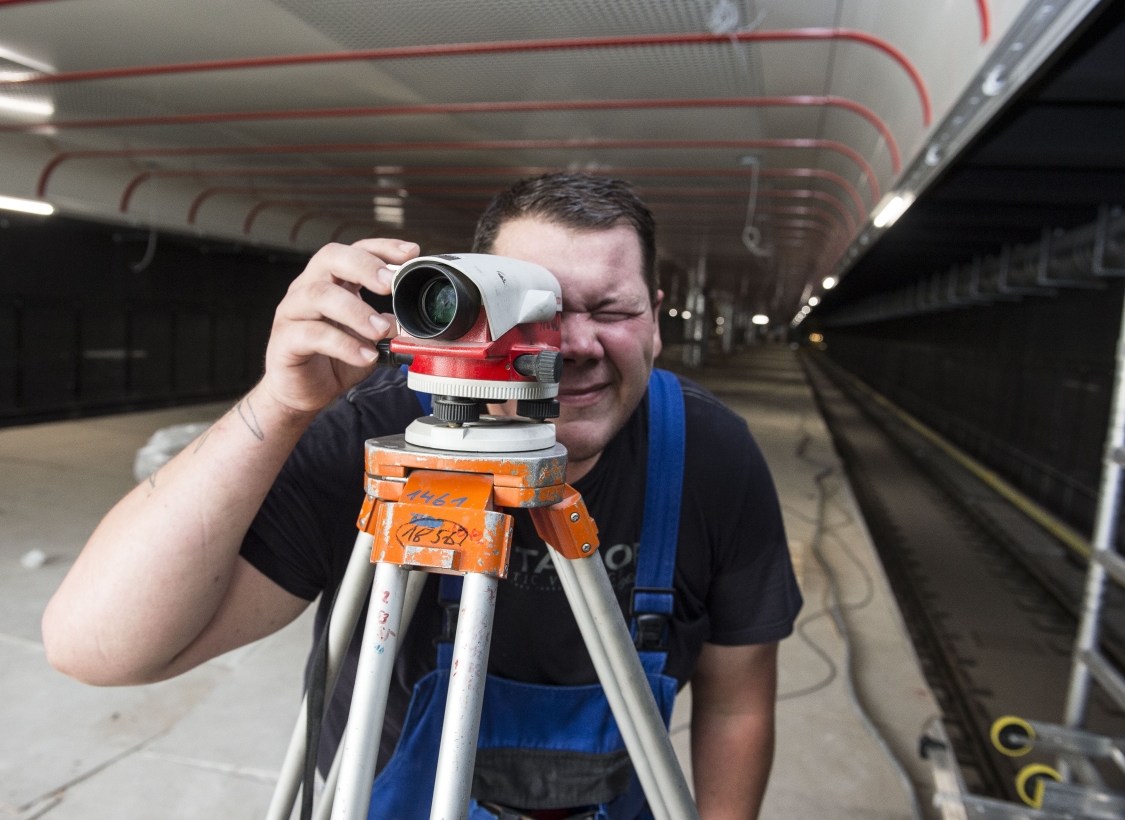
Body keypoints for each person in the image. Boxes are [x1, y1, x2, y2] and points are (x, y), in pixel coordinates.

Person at [43, 173, 801, 820]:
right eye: (535, 311)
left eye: (611, 310)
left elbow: (736, 704)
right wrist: (281, 405)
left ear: (658, 318)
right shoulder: (379, 442)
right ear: (467, 306)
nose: (570, 345)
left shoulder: (708, 457)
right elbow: (97, 647)